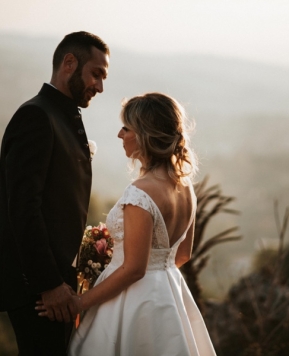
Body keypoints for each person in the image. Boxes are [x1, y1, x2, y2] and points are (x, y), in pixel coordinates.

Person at [51, 92, 215, 355]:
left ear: (144, 135)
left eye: (126, 128)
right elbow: (182, 255)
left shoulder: (141, 192)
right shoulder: (186, 188)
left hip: (134, 304)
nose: (120, 134)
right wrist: (158, 276)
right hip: (170, 294)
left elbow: (134, 269)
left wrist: (80, 303)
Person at [0, 31, 110, 355]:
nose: (100, 86)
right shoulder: (36, 116)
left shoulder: (61, 114)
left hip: (58, 285)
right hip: (38, 291)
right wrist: (49, 285)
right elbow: (23, 208)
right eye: (96, 74)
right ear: (69, 63)